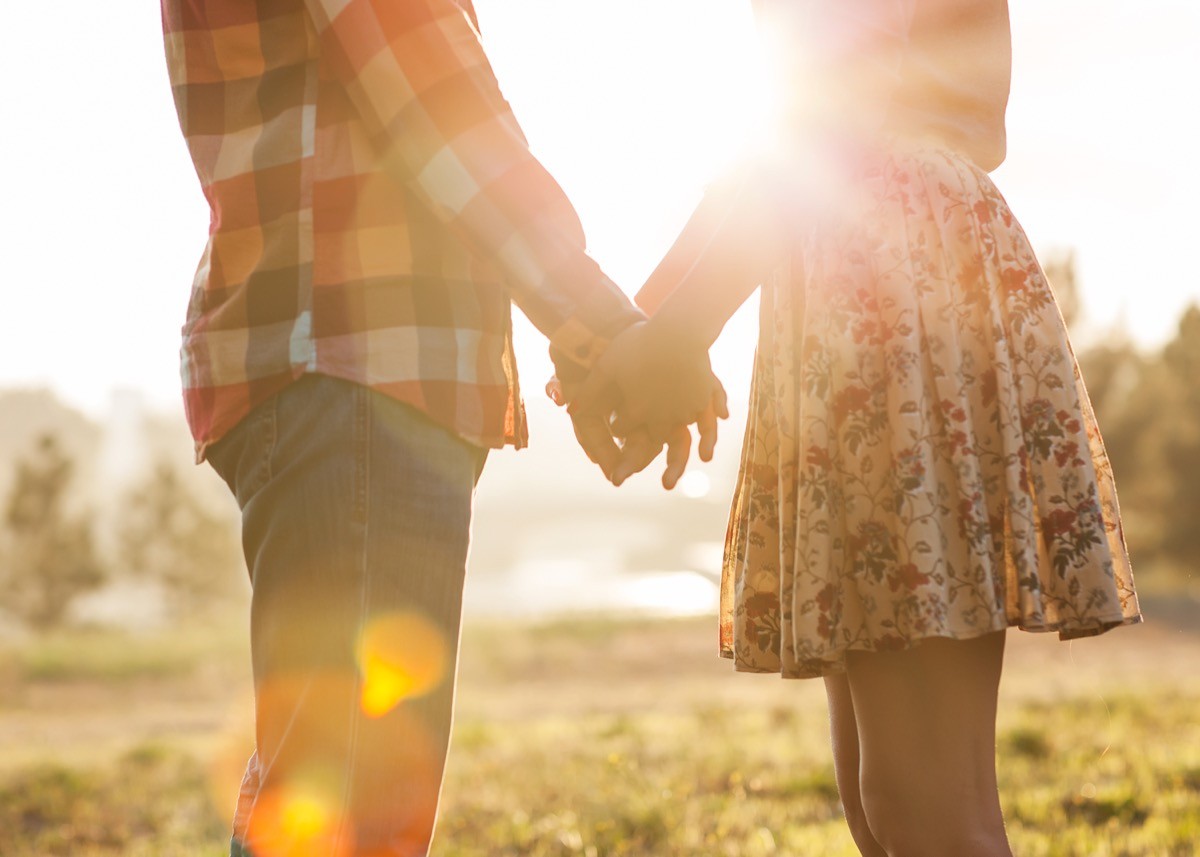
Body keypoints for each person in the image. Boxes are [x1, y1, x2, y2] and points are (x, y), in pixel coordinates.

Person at [571, 1, 1142, 854]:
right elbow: (778, 144)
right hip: (849, 278)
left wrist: (670, 338)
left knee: (924, 801)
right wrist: (631, 333)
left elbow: (834, 118)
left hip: (896, 277)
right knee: (884, 801)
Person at [159, 1, 715, 854]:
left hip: (329, 361)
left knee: (323, 785)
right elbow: (440, 114)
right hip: (352, 354)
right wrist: (605, 330)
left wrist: (585, 342)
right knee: (350, 807)